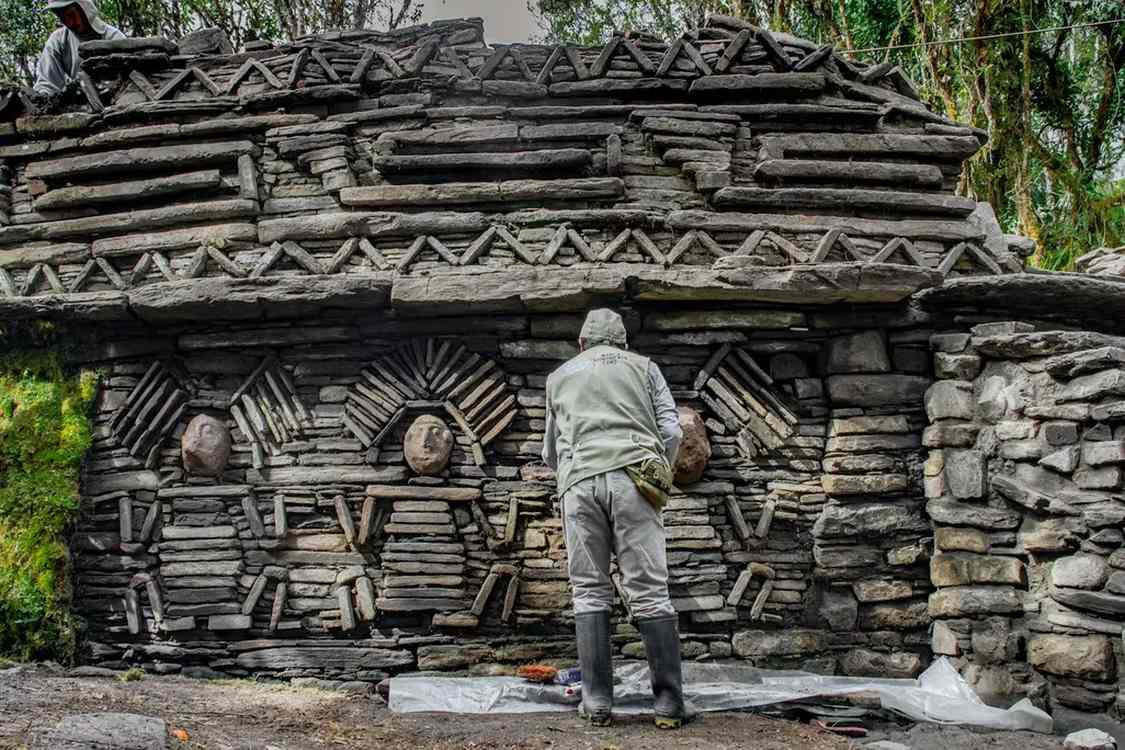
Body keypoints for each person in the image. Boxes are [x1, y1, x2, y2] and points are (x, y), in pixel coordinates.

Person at [542, 308, 688, 729]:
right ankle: (668, 706)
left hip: (579, 482)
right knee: (649, 588)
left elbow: (550, 452)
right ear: (623, 342)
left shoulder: (559, 376)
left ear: (582, 343)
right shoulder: (644, 367)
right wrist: (660, 469)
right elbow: (673, 431)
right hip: (634, 479)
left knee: (589, 588)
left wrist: (574, 475)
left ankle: (597, 703)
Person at [33, 0, 126, 98]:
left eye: (71, 14)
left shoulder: (114, 38)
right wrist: (42, 98)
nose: (70, 23)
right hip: (82, 102)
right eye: (62, 17)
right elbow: (47, 84)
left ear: (84, 8)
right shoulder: (58, 41)